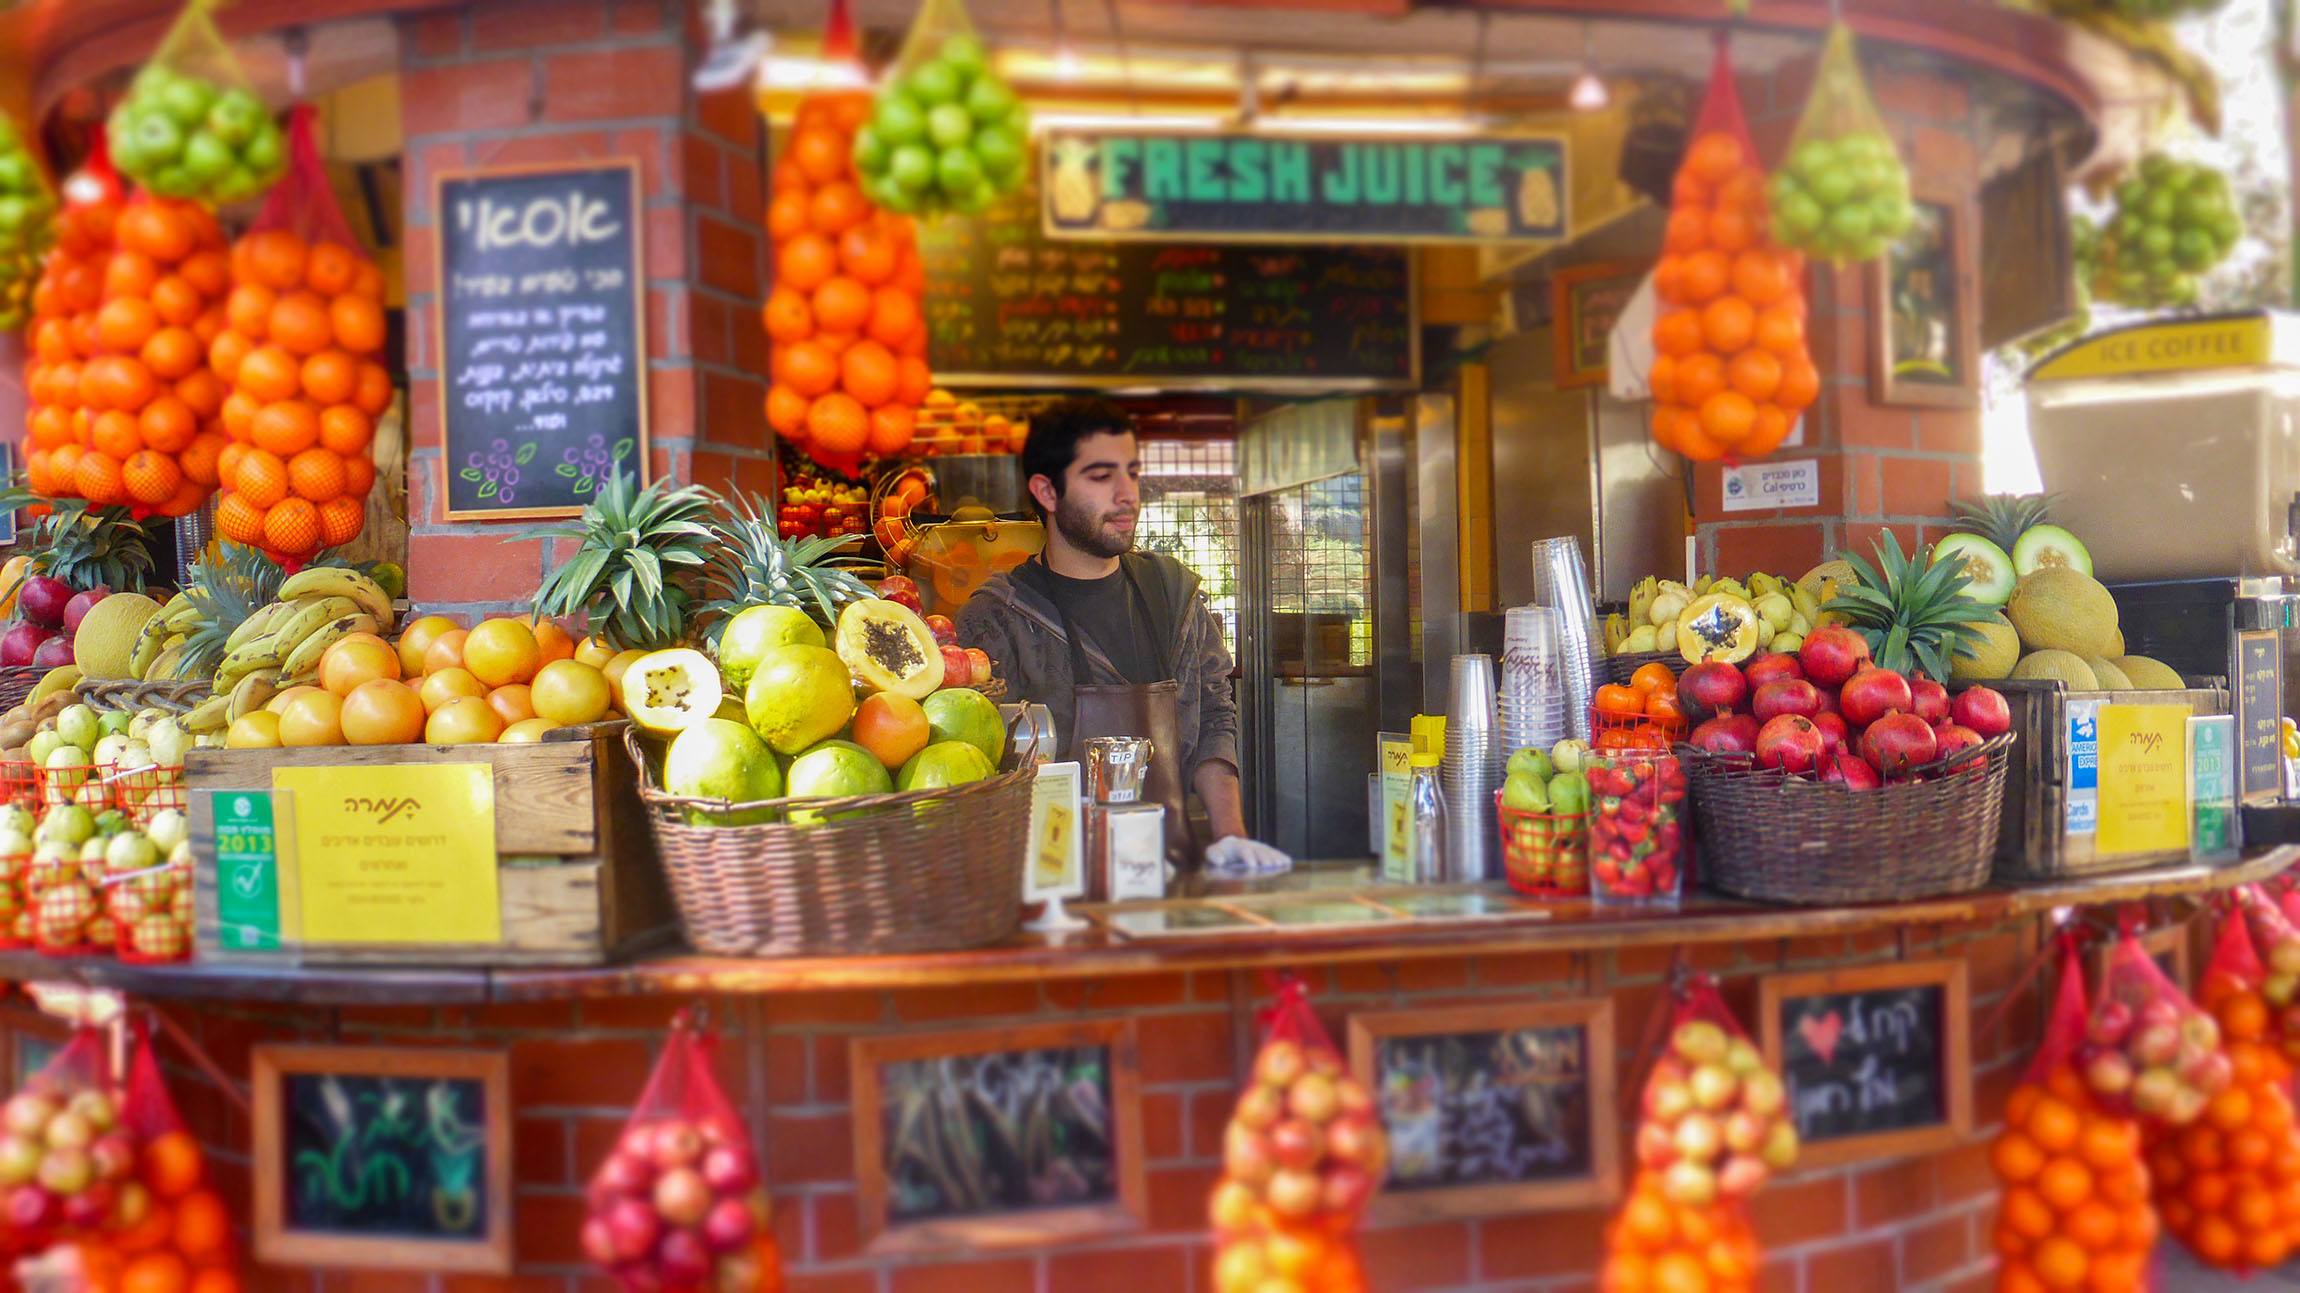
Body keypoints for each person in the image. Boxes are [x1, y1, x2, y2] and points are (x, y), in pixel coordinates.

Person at [958, 398, 1288, 873]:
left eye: (1131, 472)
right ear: (1047, 492)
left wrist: (1229, 833)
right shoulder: (997, 620)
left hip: (1169, 874)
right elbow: (984, 770)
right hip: (1052, 889)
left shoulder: (1174, 594)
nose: (1127, 493)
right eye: (1101, 476)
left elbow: (1216, 714)